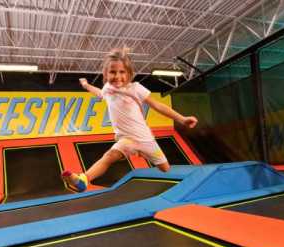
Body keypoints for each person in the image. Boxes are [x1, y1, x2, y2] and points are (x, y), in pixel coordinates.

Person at [62, 47, 198, 192]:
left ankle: (143, 152)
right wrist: (86, 85)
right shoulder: (108, 89)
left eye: (122, 72)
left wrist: (182, 119)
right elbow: (99, 93)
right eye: (113, 72)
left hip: (145, 139)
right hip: (127, 139)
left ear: (129, 73)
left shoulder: (135, 89)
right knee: (109, 156)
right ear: (106, 74)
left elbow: (157, 105)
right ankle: (84, 179)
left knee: (165, 168)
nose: (117, 76)